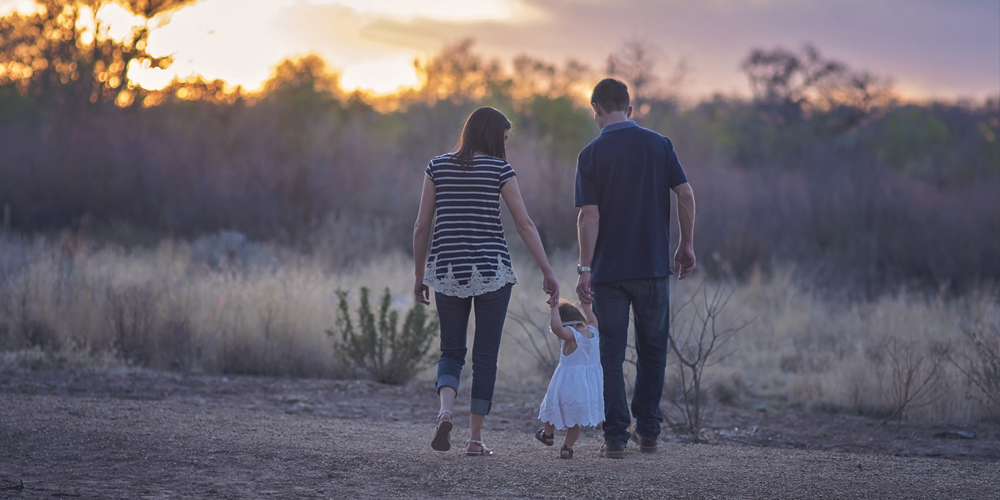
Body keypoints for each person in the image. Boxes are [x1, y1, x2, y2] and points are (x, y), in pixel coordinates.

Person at [413, 106, 559, 456]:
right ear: (493, 136)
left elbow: (421, 226)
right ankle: (475, 439)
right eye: (504, 138)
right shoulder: (500, 169)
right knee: (485, 358)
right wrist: (547, 270)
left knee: (451, 351)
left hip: (447, 270)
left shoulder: (437, 166)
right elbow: (524, 224)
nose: (505, 144)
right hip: (493, 272)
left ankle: (445, 410)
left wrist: (420, 275)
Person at [574, 78, 696, 459]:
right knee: (653, 350)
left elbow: (588, 216)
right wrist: (686, 244)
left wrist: (584, 267)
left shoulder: (591, 154)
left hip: (609, 273)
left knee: (610, 354)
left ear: (595, 109)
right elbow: (686, 194)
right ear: (630, 108)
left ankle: (614, 438)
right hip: (654, 268)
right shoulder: (660, 145)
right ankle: (649, 431)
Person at [535, 298, 604, 459]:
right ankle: (567, 447)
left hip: (566, 383)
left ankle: (548, 435)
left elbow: (557, 328)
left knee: (550, 408)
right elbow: (593, 320)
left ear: (567, 324)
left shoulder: (571, 336)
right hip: (587, 387)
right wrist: (586, 307)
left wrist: (553, 309)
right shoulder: (593, 332)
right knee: (576, 419)